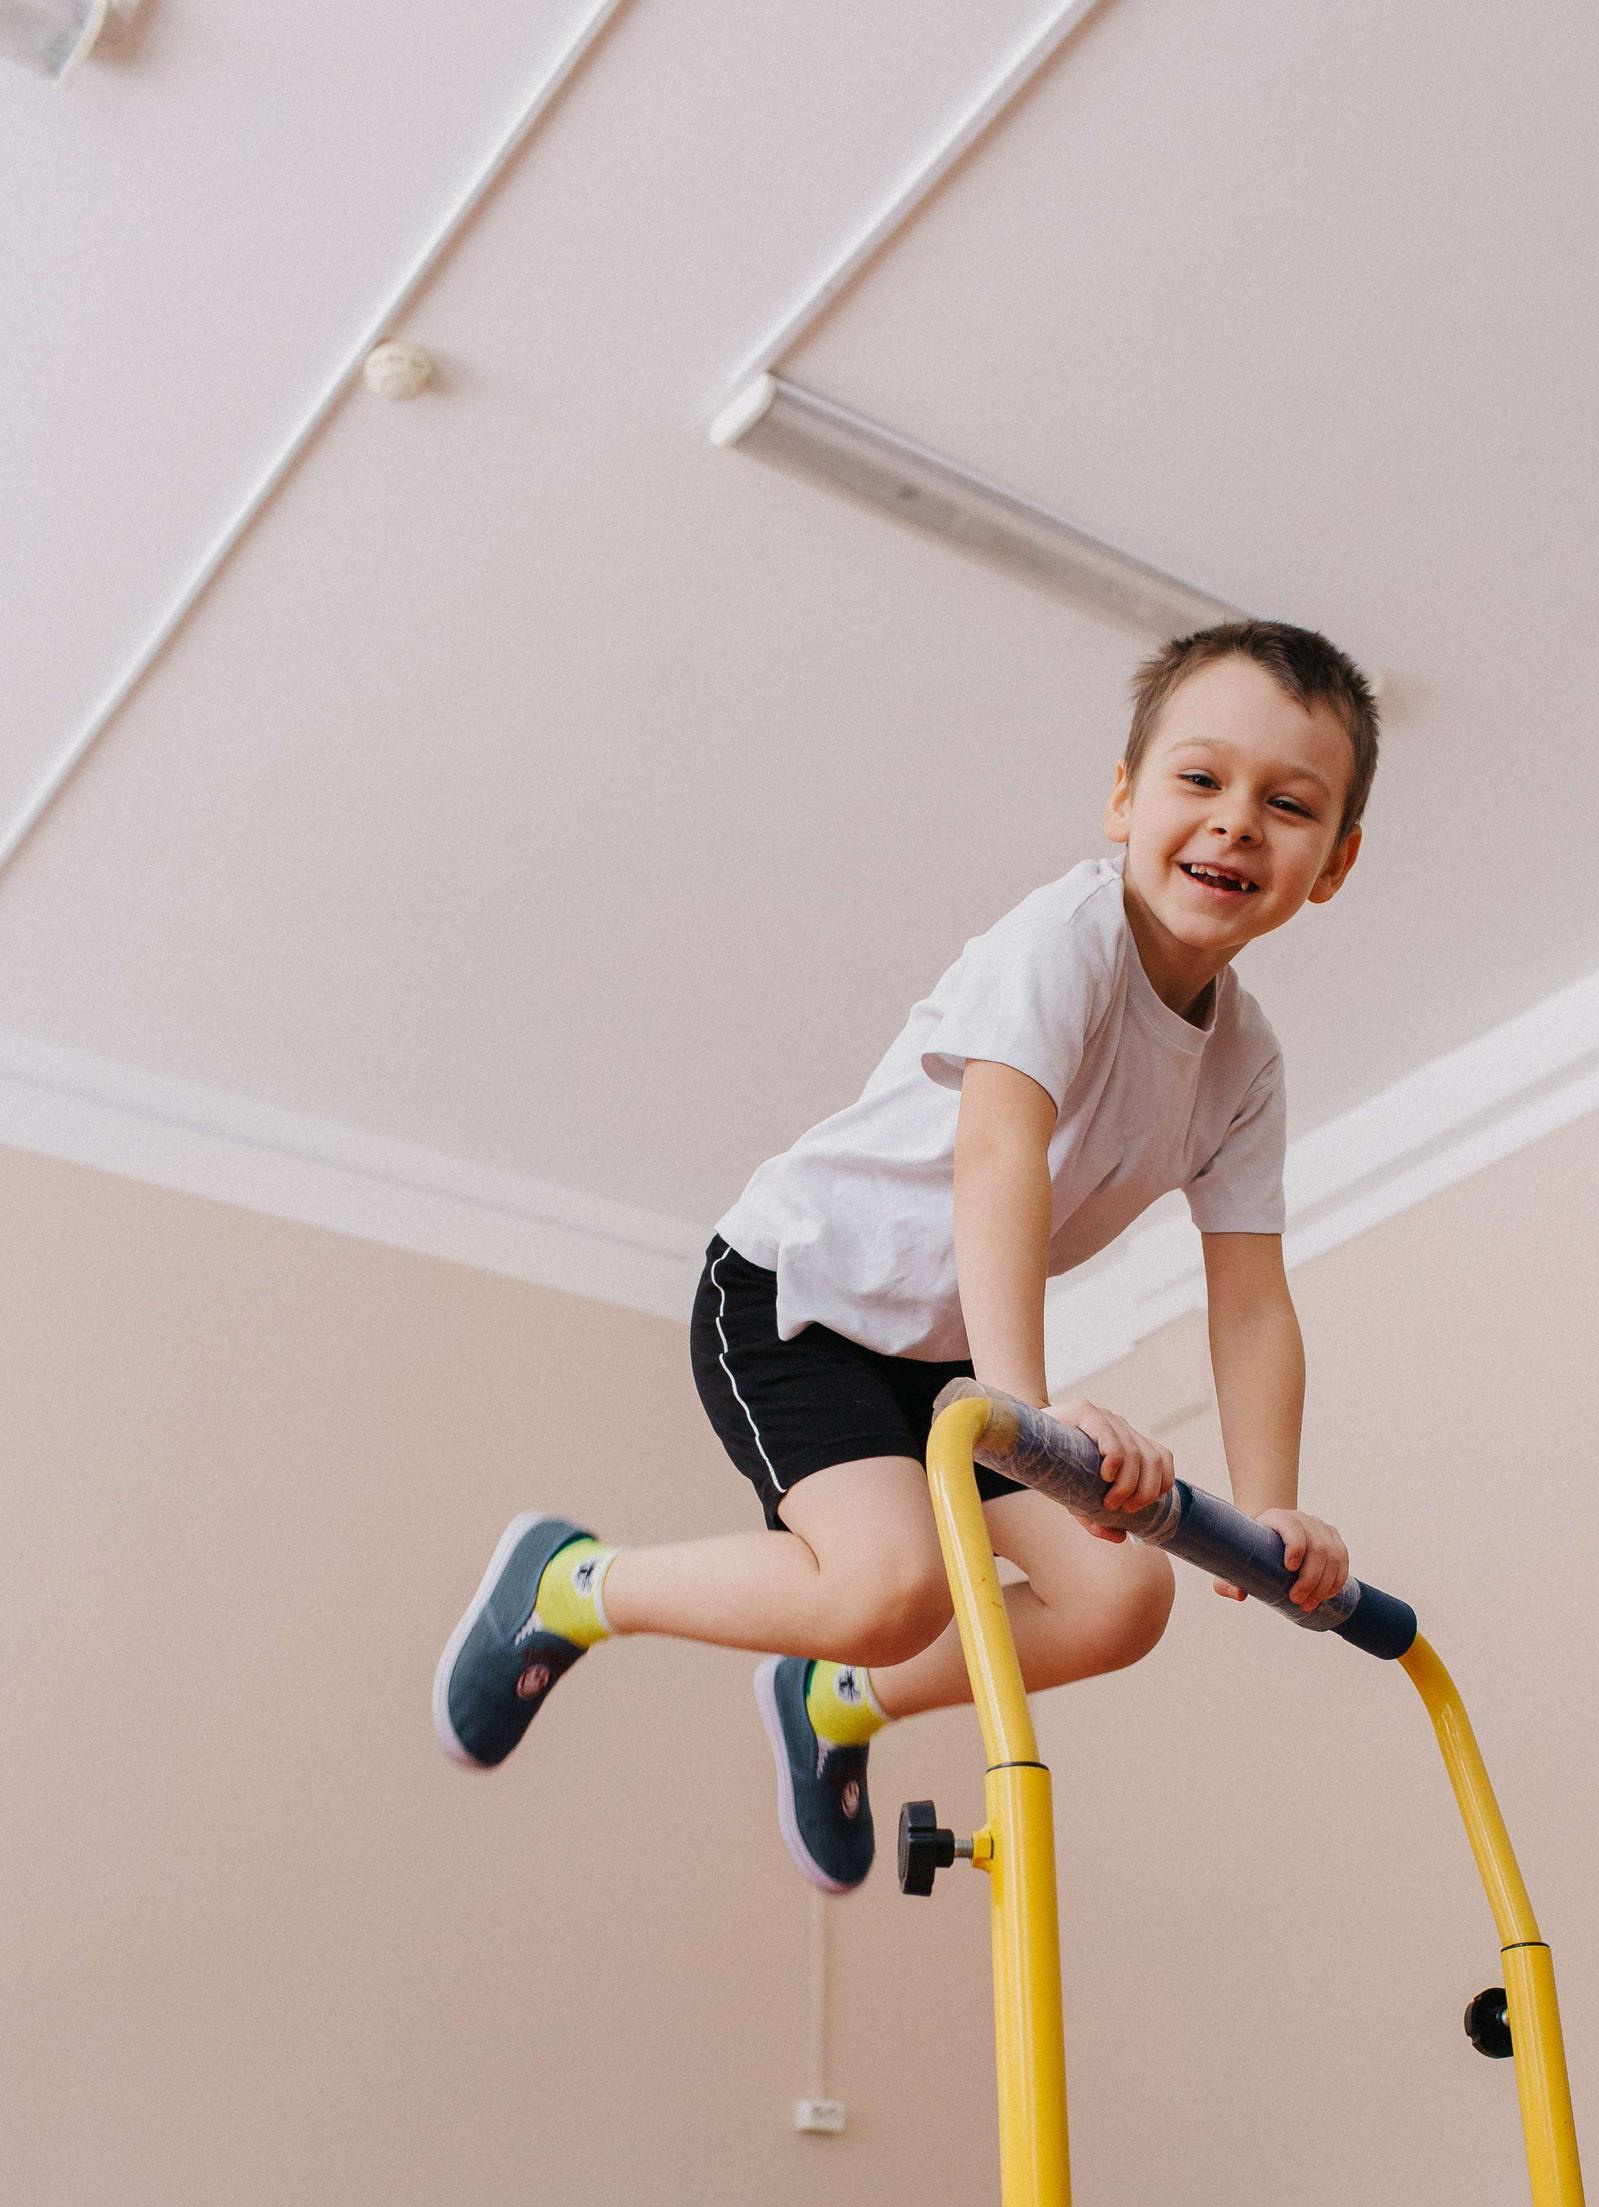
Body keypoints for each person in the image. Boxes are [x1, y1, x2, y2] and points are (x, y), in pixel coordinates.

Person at [434, 617, 1376, 1889]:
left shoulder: (1243, 1062)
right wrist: (1026, 1415)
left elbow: (1251, 1299)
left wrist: (1270, 1516)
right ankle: (571, 1585)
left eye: (1288, 804)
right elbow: (998, 1159)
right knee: (891, 1587)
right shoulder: (1066, 943)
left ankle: (836, 1706)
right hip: (800, 1293)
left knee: (1118, 1604)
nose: (1234, 825)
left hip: (943, 1360)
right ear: (1122, 800)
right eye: (1198, 781)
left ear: (1333, 864)